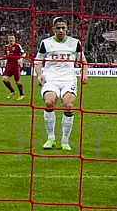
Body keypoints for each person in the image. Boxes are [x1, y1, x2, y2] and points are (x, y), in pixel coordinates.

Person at [34, 16, 87, 151]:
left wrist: (84, 74)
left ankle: (64, 140)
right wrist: (39, 75)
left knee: (68, 105)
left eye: (63, 28)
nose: (61, 30)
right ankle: (51, 138)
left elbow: (83, 61)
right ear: (53, 29)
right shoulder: (46, 43)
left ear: (67, 29)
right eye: (58, 28)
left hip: (68, 79)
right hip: (51, 79)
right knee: (49, 102)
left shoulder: (75, 43)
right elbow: (38, 61)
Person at [1, 34, 25, 100]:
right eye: (10, 38)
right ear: (8, 39)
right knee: (4, 79)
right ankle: (12, 91)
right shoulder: (6, 47)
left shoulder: (17, 46)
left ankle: (21, 94)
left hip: (15, 66)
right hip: (9, 66)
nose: (11, 39)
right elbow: (6, 56)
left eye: (12, 38)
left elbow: (24, 53)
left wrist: (21, 59)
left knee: (17, 82)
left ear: (14, 39)